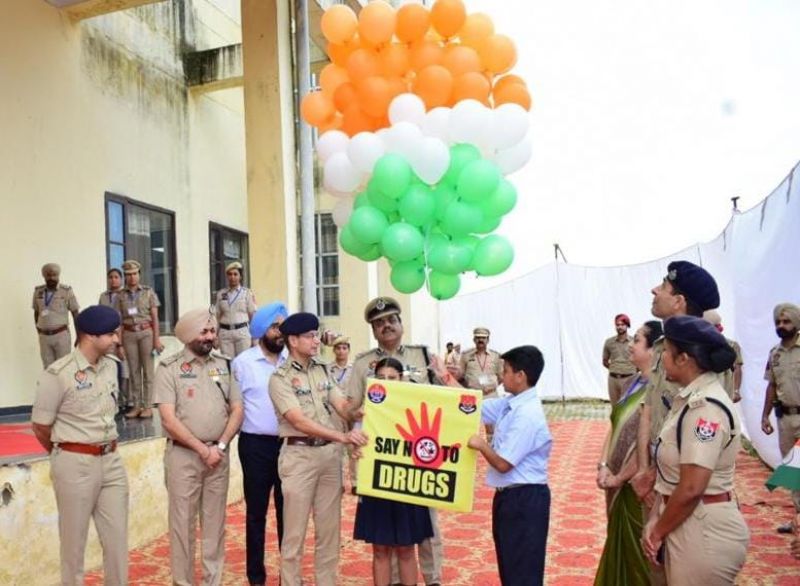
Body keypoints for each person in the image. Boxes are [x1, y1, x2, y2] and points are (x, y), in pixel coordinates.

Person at [641, 315, 749, 584]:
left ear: (683, 359)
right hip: (686, 521)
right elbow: (672, 478)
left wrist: (657, 532)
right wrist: (656, 516)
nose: (661, 358)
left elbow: (691, 488)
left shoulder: (707, 408)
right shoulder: (688, 400)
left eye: (666, 351)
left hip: (704, 530)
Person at [345, 296, 445, 586]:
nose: (385, 326)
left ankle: (432, 578)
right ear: (373, 330)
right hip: (380, 458)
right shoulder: (363, 363)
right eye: (379, 323)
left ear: (401, 323)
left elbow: (443, 401)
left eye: (391, 320)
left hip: (419, 456)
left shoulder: (423, 356)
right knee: (384, 534)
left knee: (426, 525)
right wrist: (358, 414)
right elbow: (350, 408)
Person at [269, 312, 368, 586]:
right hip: (299, 458)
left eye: (316, 334)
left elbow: (343, 407)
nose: (317, 340)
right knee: (294, 535)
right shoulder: (280, 378)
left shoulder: (323, 369)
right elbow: (299, 421)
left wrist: (373, 406)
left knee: (329, 533)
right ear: (293, 340)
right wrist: (342, 437)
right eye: (310, 336)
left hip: (328, 458)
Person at [31, 305, 128, 585]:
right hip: (75, 464)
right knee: (74, 545)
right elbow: (40, 426)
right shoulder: (58, 374)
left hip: (111, 461)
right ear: (90, 336)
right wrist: (65, 454)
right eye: (111, 334)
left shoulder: (112, 366)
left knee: (117, 542)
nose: (116, 339)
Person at [154, 308, 244, 586]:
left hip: (219, 455)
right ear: (188, 335)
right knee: (182, 526)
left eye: (212, 331)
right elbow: (168, 419)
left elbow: (238, 410)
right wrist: (202, 450)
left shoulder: (226, 365)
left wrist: (219, 445)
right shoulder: (168, 368)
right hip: (184, 457)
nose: (210, 337)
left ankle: (212, 582)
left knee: (214, 525)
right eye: (204, 332)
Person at [632, 261, 720, 500]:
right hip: (657, 473)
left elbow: (707, 434)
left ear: (678, 301)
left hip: (688, 482)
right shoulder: (662, 348)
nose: (654, 290)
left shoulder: (707, 355)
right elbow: (648, 412)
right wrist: (644, 469)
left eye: (663, 286)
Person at [468, 345, 552, 586]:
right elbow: (473, 406)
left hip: (525, 499)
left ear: (520, 376)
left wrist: (482, 445)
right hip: (509, 498)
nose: (500, 377)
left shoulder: (527, 414)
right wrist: (443, 376)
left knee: (523, 570)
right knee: (510, 566)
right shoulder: (511, 403)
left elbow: (504, 464)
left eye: (504, 371)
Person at [353, 356, 434, 586]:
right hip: (376, 485)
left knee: (407, 548)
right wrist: (356, 450)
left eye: (392, 378)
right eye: (381, 378)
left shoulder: (416, 408)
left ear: (401, 379)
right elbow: (357, 443)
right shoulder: (366, 411)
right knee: (380, 549)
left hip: (408, 484)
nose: (387, 382)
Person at [594, 320, 663, 586]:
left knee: (639, 554)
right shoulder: (633, 382)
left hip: (636, 486)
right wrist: (603, 465)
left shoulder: (659, 391)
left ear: (653, 350)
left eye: (637, 341)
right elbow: (614, 425)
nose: (631, 346)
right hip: (613, 480)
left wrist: (620, 477)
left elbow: (646, 443)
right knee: (618, 544)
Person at [232, 302, 289, 586]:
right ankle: (256, 577)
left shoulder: (292, 360)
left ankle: (287, 577)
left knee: (287, 513)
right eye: (275, 327)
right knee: (256, 514)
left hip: (290, 446)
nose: (281, 332)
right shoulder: (242, 363)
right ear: (261, 330)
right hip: (254, 447)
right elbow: (234, 406)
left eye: (283, 326)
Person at [760, 302, 800, 533]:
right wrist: (764, 416)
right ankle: (797, 519)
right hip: (785, 420)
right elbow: (771, 387)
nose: (781, 325)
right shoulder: (774, 353)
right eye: (778, 322)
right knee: (794, 473)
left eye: (786, 321)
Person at [119, 259, 163, 418]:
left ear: (139, 274)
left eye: (134, 274)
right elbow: (119, 322)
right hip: (129, 334)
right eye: (128, 275)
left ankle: (148, 406)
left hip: (146, 333)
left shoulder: (148, 292)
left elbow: (155, 318)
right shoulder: (120, 295)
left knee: (148, 372)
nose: (131, 277)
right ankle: (136, 406)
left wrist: (156, 340)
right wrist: (120, 344)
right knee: (133, 371)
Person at [32, 262, 80, 368]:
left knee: (64, 367)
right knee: (48, 368)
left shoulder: (66, 291)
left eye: (54, 275)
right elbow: (36, 312)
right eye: (48, 275)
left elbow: (75, 313)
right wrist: (39, 331)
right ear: (44, 276)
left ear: (58, 275)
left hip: (61, 335)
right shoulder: (38, 291)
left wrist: (79, 335)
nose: (52, 278)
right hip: (44, 337)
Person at [99, 267, 128, 413]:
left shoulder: (125, 295)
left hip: (122, 336)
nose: (113, 280)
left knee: (123, 371)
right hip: (106, 336)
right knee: (109, 369)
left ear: (121, 279)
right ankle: (112, 401)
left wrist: (120, 343)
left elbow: (124, 319)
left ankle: (125, 401)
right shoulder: (103, 296)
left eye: (116, 277)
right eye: (111, 277)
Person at [215, 261, 257, 358]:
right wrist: (215, 336)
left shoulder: (247, 293)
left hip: (242, 332)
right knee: (227, 363)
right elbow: (216, 316)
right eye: (230, 274)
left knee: (243, 363)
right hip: (225, 334)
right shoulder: (221, 294)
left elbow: (253, 316)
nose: (232, 277)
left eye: (235, 274)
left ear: (240, 276)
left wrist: (255, 337)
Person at [703, 310, 743, 402]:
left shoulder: (731, 346)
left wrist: (736, 390)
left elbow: (737, 368)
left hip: (726, 392)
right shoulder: (698, 348)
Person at [602, 314, 637, 404]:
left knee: (628, 408)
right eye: (617, 325)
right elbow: (605, 361)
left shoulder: (634, 342)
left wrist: (631, 370)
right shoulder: (609, 342)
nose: (620, 327)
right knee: (615, 408)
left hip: (629, 378)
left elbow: (640, 361)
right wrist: (615, 369)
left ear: (627, 326)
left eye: (622, 325)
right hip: (613, 379)